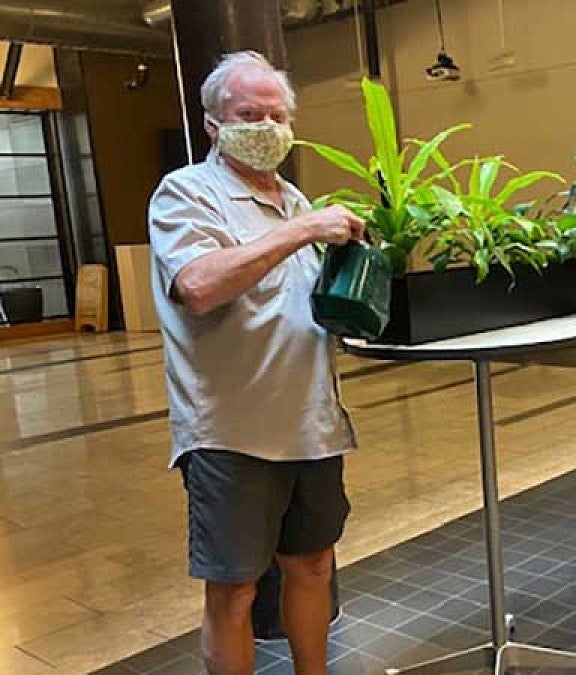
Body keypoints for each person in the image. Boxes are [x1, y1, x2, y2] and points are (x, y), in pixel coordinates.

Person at [148, 51, 365, 675]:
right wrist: (300, 233)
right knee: (235, 590)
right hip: (232, 433)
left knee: (313, 566)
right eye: (249, 114)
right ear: (215, 124)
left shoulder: (297, 201)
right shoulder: (188, 193)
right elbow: (199, 285)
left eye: (276, 114)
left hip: (312, 426)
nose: (266, 126)